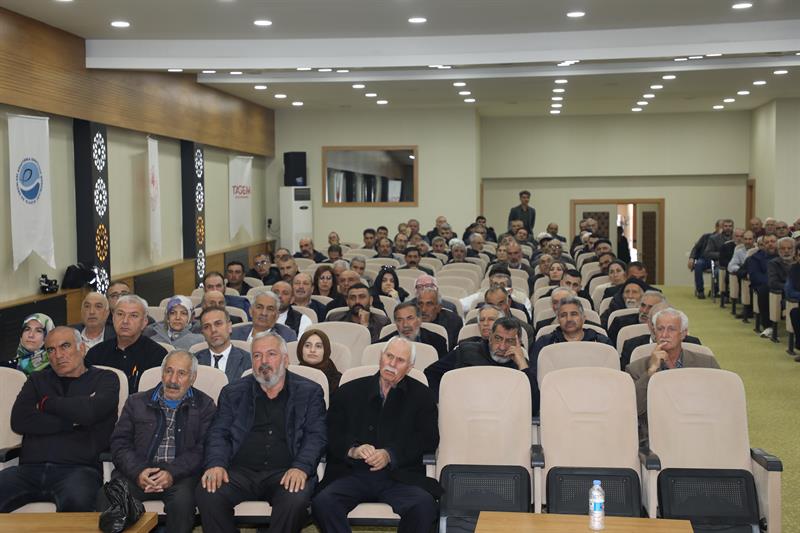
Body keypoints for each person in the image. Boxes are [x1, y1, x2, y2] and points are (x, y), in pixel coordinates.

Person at [195, 331, 327, 533]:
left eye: (271, 354)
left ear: (285, 359)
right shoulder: (233, 392)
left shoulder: (309, 392)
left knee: (295, 498)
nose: (263, 361)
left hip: (286, 470)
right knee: (208, 491)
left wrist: (301, 467)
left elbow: (316, 436)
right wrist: (216, 464)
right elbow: (218, 434)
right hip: (239, 472)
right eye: (257, 356)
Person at [312, 337, 440, 533]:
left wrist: (390, 454)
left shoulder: (422, 395)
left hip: (399, 477)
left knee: (424, 506)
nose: (392, 364)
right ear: (381, 356)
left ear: (410, 367)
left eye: (400, 360)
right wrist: (353, 450)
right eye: (389, 356)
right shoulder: (348, 391)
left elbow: (428, 438)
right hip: (351, 473)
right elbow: (330, 431)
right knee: (323, 503)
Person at [0, 327, 119, 512]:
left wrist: (46, 403)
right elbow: (20, 420)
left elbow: (91, 412)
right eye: (51, 350)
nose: (58, 355)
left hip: (79, 470)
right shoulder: (37, 380)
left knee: (77, 503)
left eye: (65, 346)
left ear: (82, 348)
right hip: (29, 469)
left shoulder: (106, 379)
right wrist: (71, 421)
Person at [101, 350, 216, 533]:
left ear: (193, 378)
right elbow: (119, 444)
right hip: (137, 472)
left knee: (183, 503)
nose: (173, 380)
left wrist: (172, 472)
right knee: (107, 498)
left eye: (181, 373)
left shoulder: (205, 405)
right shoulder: (136, 402)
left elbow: (203, 448)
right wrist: (138, 471)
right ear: (162, 374)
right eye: (168, 371)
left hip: (181, 475)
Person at [626, 308, 720, 444]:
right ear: (654, 332)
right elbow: (633, 410)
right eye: (660, 329)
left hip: (699, 433)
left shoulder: (706, 364)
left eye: (671, 329)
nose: (664, 334)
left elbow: (720, 404)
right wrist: (651, 371)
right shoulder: (636, 369)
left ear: (683, 333)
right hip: (656, 439)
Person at [425, 317, 538, 412]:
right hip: (464, 414)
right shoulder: (466, 351)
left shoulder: (521, 365)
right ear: (490, 337)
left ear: (519, 343)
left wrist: (523, 365)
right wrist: (441, 403)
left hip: (504, 420)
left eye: (509, 341)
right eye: (498, 338)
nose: (502, 347)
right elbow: (431, 373)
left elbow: (534, 408)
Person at [86, 294, 168, 392]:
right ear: (113, 318)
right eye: (120, 314)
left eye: (133, 316)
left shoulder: (158, 355)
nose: (125, 321)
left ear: (144, 322)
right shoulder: (96, 353)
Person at [532, 296, 613, 362]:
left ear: (583, 318)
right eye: (563, 315)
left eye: (574, 314)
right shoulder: (544, 343)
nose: (569, 319)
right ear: (558, 320)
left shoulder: (602, 342)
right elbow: (535, 374)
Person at [196, 307, 251, 382]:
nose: (213, 330)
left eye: (218, 324)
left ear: (229, 327)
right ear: (203, 333)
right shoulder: (194, 361)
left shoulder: (248, 361)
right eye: (207, 327)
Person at [379, 302, 448, 358]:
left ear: (419, 319)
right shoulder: (383, 344)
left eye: (410, 318)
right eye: (400, 320)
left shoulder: (438, 342)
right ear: (396, 323)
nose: (405, 325)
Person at [326, 284, 391, 343]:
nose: (357, 301)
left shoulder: (383, 322)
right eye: (352, 298)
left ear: (371, 300)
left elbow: (378, 347)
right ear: (347, 301)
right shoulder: (333, 319)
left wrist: (365, 326)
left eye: (362, 297)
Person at [231, 291, 297, 344]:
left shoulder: (287, 336)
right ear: (250, 311)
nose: (264, 313)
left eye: (270, 309)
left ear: (277, 315)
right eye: (259, 307)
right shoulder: (234, 333)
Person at [746, 233, 778, 337]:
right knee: (764, 290)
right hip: (763, 285)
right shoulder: (755, 258)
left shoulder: (782, 256)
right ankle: (767, 326)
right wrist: (772, 283)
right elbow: (755, 276)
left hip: (780, 285)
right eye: (767, 242)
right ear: (763, 245)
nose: (770, 244)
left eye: (773, 241)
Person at [297, 329, 341, 394]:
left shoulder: (339, 381)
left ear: (325, 350)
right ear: (300, 349)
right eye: (307, 345)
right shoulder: (291, 375)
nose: (312, 350)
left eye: (318, 346)